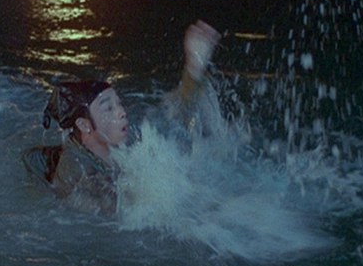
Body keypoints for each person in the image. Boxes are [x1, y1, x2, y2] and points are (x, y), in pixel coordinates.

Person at [23, 21, 222, 216]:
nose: (121, 112)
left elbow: (172, 118)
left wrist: (193, 70)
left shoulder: (119, 138)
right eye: (108, 108)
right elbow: (128, 212)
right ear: (84, 124)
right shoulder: (79, 176)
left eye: (119, 103)